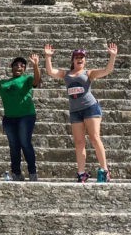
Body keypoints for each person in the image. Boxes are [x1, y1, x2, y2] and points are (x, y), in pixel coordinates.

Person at [44, 43, 118, 183]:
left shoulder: (88, 73)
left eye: (82, 57)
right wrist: (48, 57)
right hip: (75, 111)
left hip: (90, 108)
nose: (79, 59)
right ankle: (81, 173)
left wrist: (112, 56)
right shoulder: (66, 74)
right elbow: (50, 72)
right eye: (77, 57)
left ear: (85, 60)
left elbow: (107, 70)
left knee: (95, 137)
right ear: (72, 60)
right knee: (79, 142)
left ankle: (104, 170)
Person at [0, 54, 42, 181]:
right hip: (9, 118)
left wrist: (35, 65)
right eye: (16, 65)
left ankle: (32, 172)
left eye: (22, 66)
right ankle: (16, 173)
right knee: (14, 146)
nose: (19, 67)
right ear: (11, 67)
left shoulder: (27, 79)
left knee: (25, 142)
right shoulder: (3, 82)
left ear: (24, 69)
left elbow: (36, 81)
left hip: (26, 116)